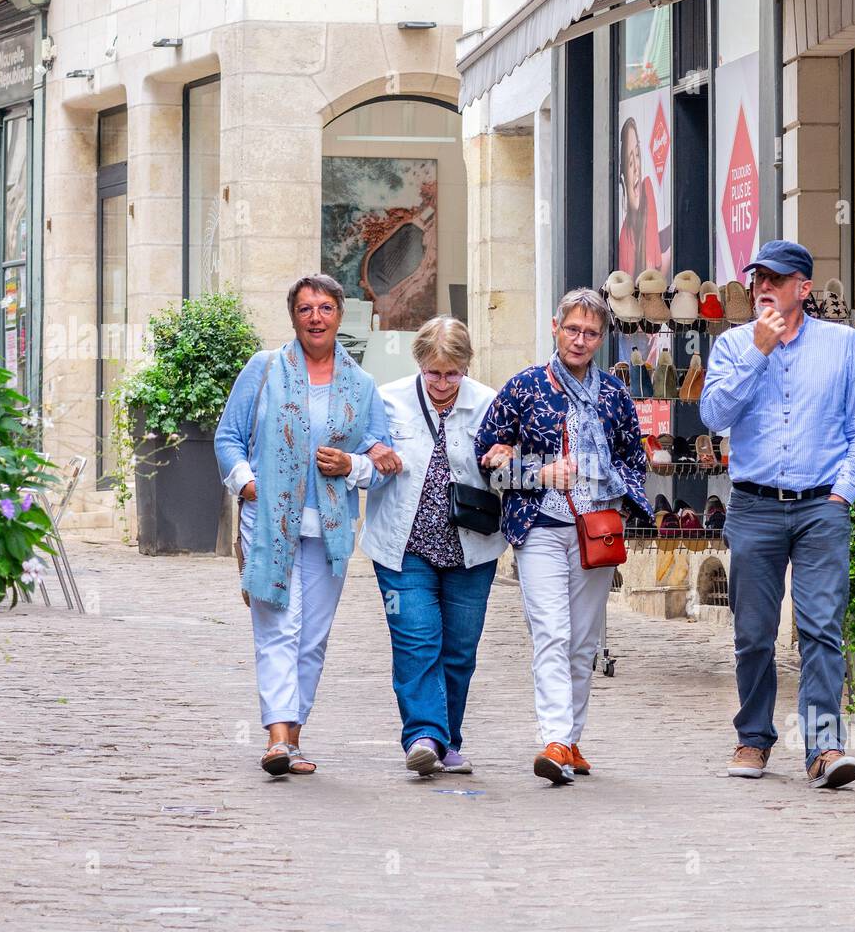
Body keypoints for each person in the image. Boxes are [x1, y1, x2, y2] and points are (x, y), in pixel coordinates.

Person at [700, 240, 855, 789]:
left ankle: (824, 749)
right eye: (758, 279)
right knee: (753, 633)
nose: (763, 288)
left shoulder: (843, 344)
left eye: (776, 280)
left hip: (821, 506)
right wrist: (757, 351)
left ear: (803, 288)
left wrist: (843, 494)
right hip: (754, 506)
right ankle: (753, 738)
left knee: (821, 628)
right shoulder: (733, 345)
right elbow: (714, 414)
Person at [214, 273, 400, 777]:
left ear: (340, 315)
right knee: (279, 625)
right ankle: (276, 737)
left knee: (312, 636)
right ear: (293, 316)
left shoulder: (361, 386)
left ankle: (294, 740)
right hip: (270, 522)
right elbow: (228, 437)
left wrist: (352, 466)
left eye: (325, 308)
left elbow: (382, 463)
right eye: (304, 309)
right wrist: (247, 483)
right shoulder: (265, 369)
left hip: (330, 530)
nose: (315, 317)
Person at [476, 288, 651, 784]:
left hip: (596, 530)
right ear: (555, 327)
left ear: (602, 337)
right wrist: (536, 472)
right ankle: (552, 739)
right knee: (551, 632)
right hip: (540, 528)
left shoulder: (614, 395)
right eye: (572, 329)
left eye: (590, 332)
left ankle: (571, 739)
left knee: (583, 641)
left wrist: (605, 483)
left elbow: (634, 464)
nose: (580, 340)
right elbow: (488, 462)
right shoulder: (526, 387)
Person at [333, 316, 506, 777]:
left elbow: (510, 473)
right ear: (419, 365)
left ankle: (448, 740)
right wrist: (367, 460)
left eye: (453, 373)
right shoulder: (387, 401)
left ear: (467, 367)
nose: (444, 383)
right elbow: (364, 466)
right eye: (435, 373)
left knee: (460, 650)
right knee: (416, 641)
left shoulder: (490, 404)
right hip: (402, 545)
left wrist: (505, 461)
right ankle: (423, 736)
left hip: (472, 547)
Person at [617, 117, 670, 278]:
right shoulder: (625, 237)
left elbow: (652, 273)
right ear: (623, 177)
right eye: (630, 162)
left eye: (638, 155)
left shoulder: (646, 190)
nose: (636, 168)